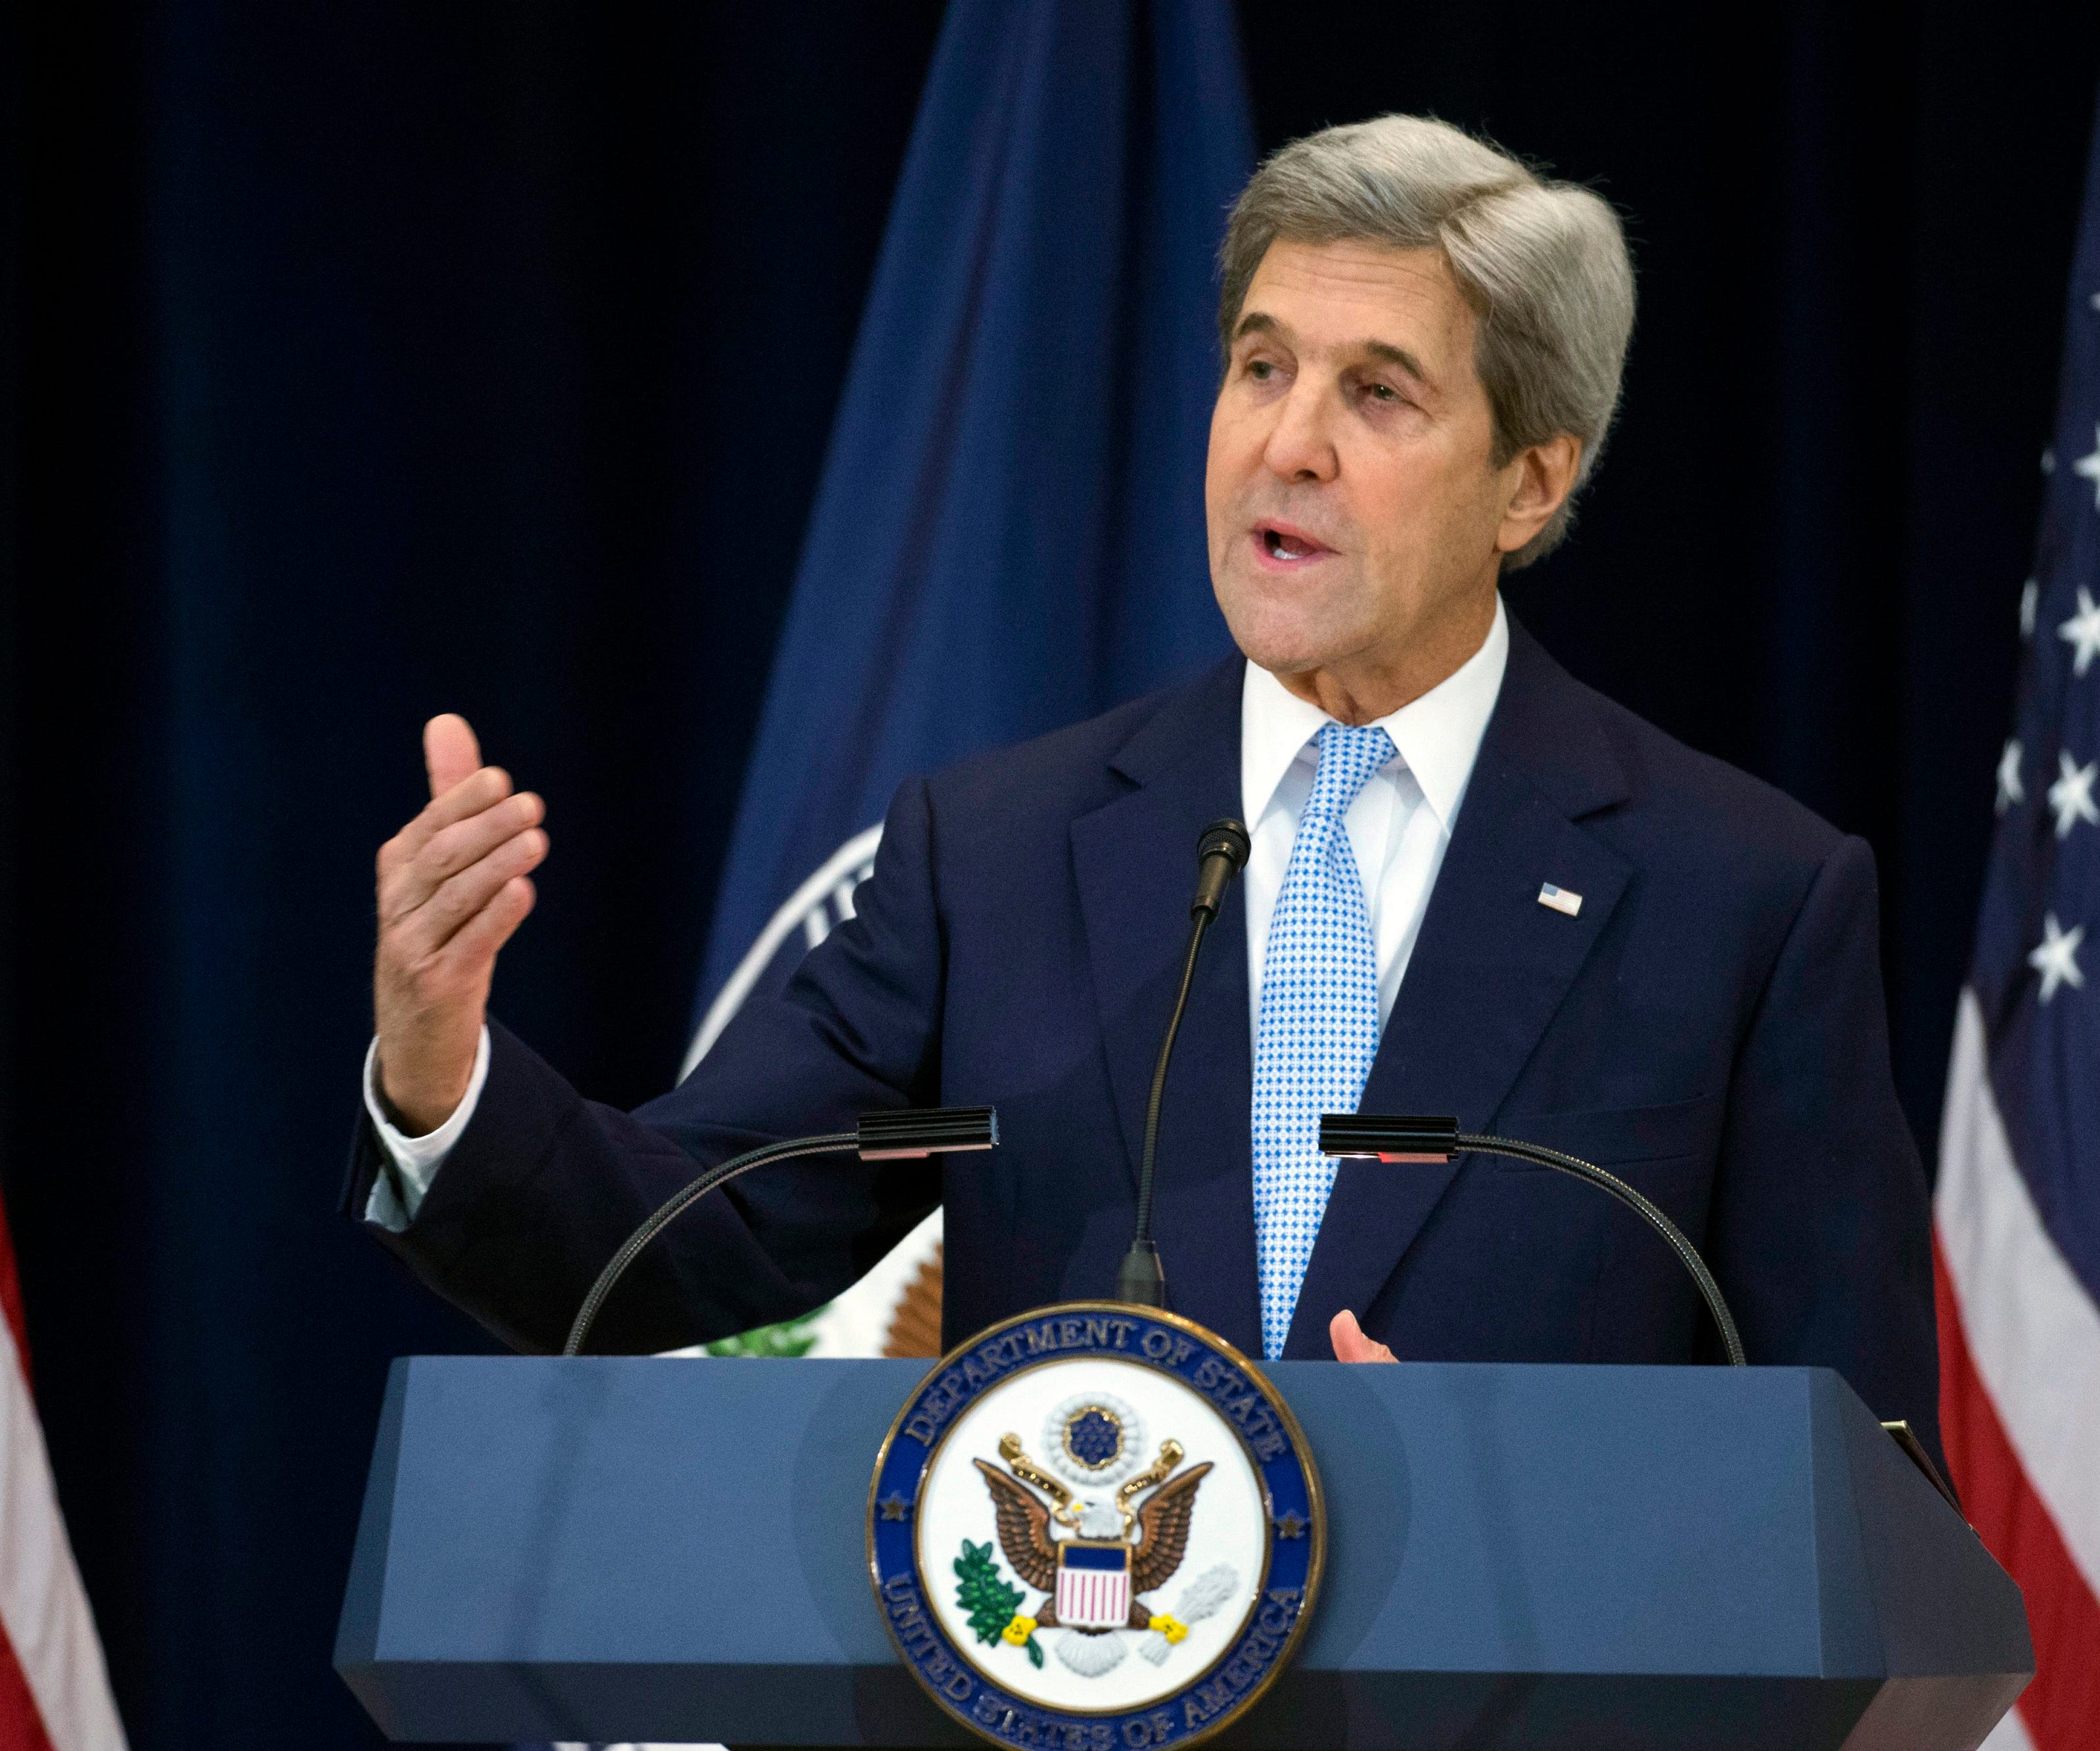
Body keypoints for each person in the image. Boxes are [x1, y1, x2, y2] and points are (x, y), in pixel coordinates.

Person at [349, 116, 1935, 1469]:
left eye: (1376, 393)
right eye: (1260, 367)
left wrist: (1529, 1503)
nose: (1286, 443)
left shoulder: (1740, 900)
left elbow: (1854, 1481)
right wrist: (439, 1076)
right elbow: (674, 1242)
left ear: (1529, 480)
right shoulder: (995, 858)